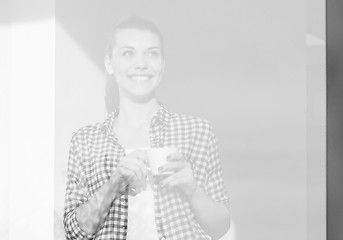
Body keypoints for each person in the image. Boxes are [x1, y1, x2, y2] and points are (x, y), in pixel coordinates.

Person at [63, 16, 230, 240]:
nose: (141, 63)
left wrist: (191, 189)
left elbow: (219, 227)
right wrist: (113, 184)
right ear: (109, 63)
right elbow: (75, 232)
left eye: (152, 53)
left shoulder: (197, 131)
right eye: (127, 53)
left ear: (163, 64)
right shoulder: (86, 140)